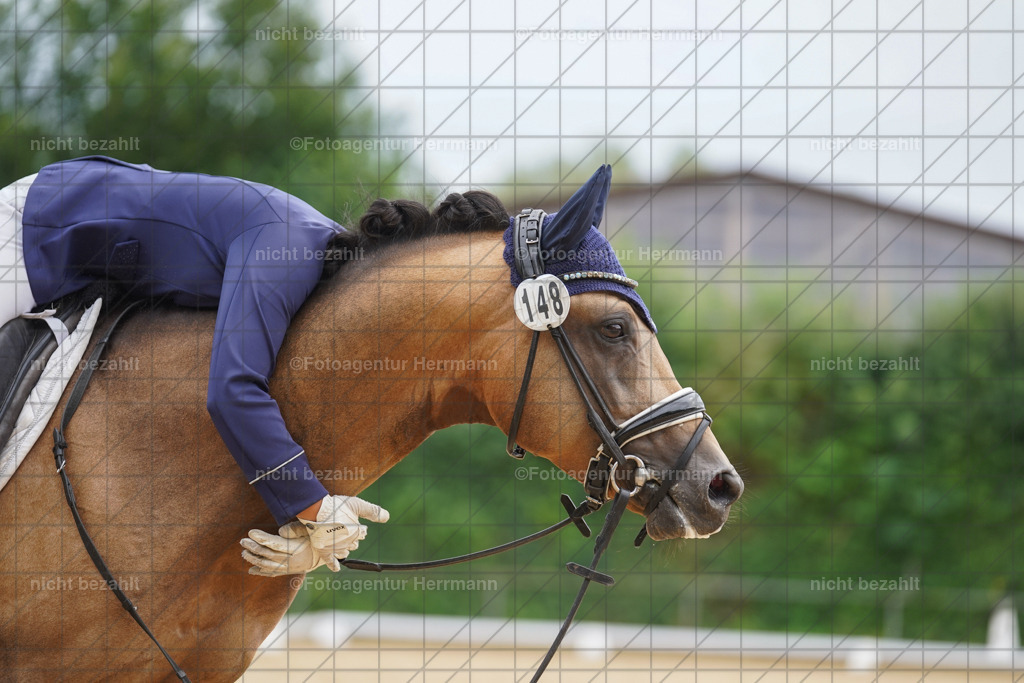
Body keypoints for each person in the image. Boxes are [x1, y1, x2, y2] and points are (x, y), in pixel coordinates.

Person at [0, 155, 395, 573]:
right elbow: (232, 391)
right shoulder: (292, 252)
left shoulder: (313, 249)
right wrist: (316, 509)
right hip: (41, 222)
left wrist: (311, 529)